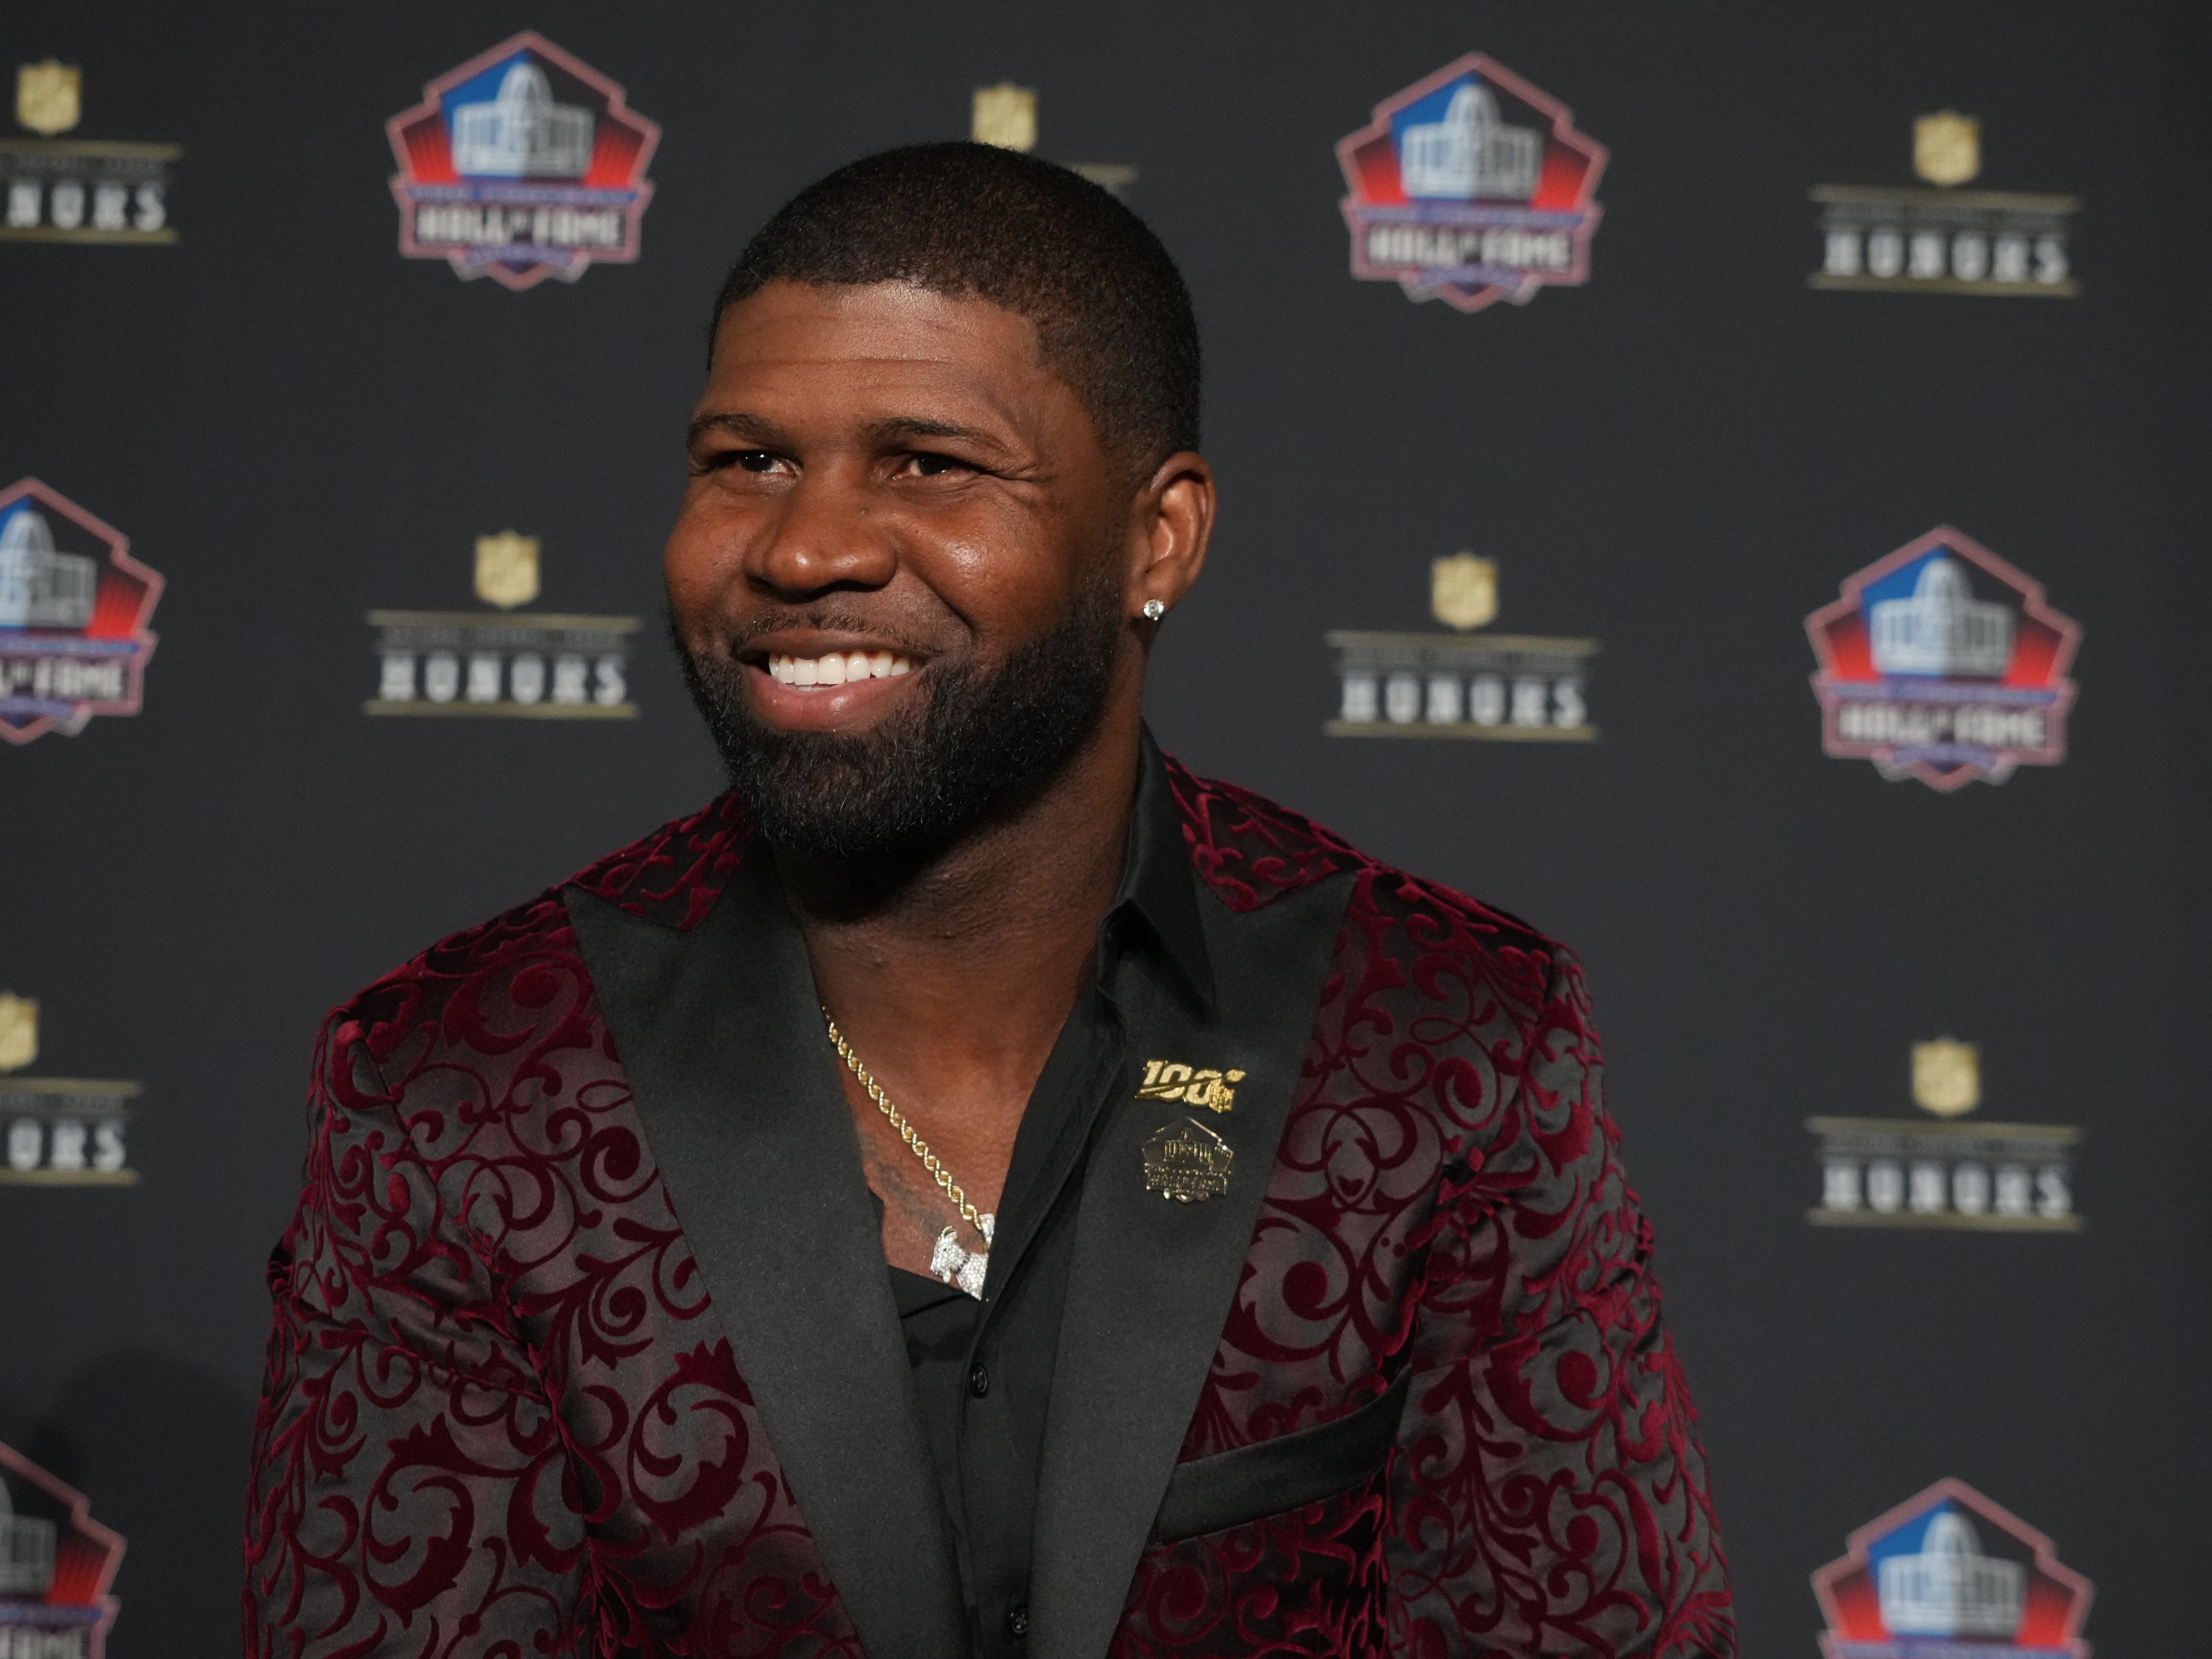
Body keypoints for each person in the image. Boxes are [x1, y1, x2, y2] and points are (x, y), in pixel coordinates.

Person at [245, 142, 1734, 1659]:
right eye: (746, 458)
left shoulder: (1449, 1037)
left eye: (927, 463)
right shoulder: (447, 1087)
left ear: (1156, 538)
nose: (805, 544)